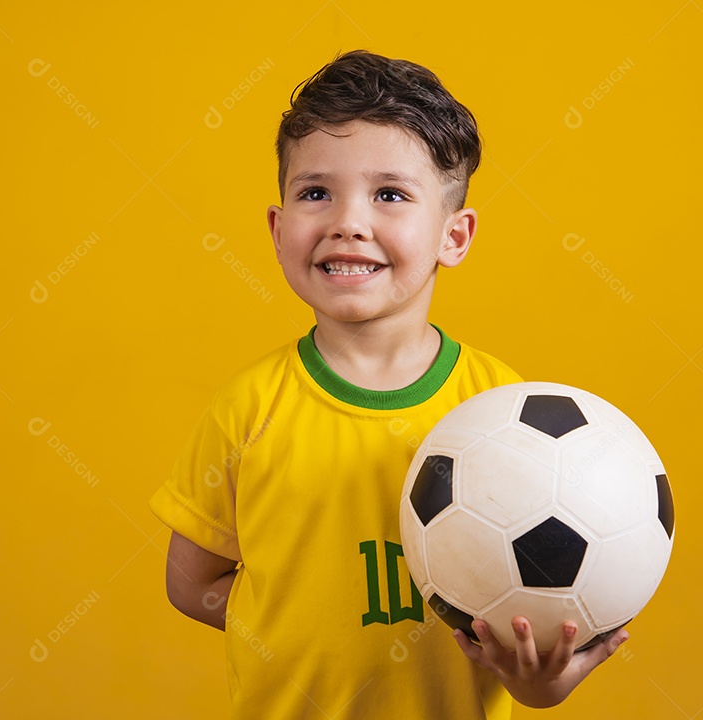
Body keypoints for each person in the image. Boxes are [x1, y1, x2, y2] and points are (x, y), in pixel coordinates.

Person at [150, 49, 629, 719]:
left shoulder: (499, 409)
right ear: (278, 226)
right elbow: (192, 583)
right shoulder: (247, 408)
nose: (348, 220)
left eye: (390, 195)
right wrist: (294, 633)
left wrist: (537, 677)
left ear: (453, 236)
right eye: (316, 192)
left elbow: (523, 654)